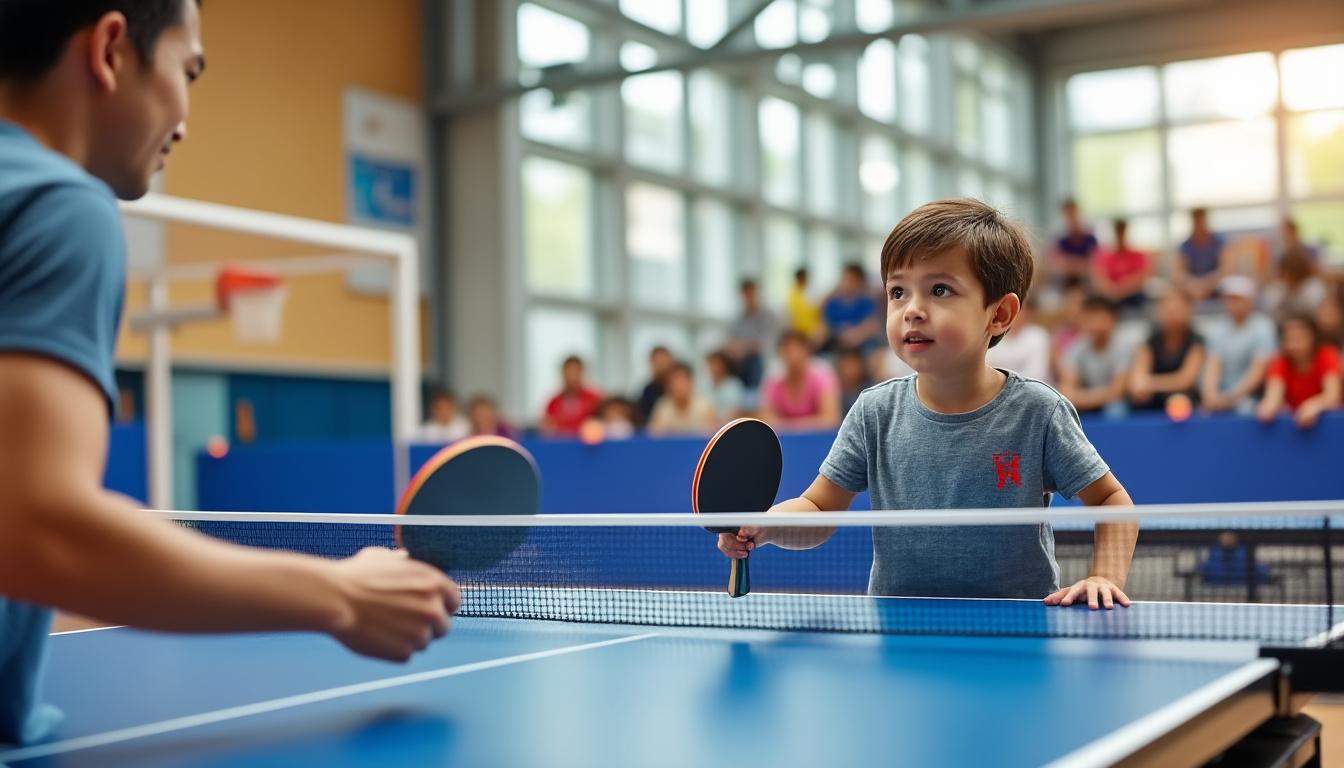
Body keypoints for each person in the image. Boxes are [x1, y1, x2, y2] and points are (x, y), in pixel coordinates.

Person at [0, 0, 458, 747]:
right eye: (188, 71)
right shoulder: (59, 208)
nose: (184, 120)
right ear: (112, 48)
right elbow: (36, 528)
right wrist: (340, 594)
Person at [717, 199, 1136, 609]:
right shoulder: (874, 412)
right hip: (900, 628)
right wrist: (769, 525)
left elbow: (1111, 501)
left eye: (939, 290)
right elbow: (818, 507)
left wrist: (1104, 575)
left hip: (1016, 628)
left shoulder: (1037, 412)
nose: (912, 310)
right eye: (897, 292)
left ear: (1001, 314)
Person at [1200, 276, 1277, 415]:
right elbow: (1213, 365)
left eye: (1238, 298)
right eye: (1229, 298)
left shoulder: (1263, 327)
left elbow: (1258, 371)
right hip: (1222, 397)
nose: (1234, 303)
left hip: (1253, 399)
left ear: (1250, 300)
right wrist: (1210, 395)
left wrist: (1231, 398)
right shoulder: (1216, 328)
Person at [1257, 314, 1341, 429]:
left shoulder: (1327, 355)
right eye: (1288, 339)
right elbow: (1273, 395)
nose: (1293, 345)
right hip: (1297, 427)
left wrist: (1314, 405)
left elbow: (1332, 396)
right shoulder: (1279, 362)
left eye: (1299, 338)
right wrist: (1268, 407)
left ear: (1313, 337)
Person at [1127, 289, 1205, 411]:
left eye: (1177, 309)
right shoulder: (1150, 341)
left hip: (1185, 401)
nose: (1172, 314)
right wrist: (1142, 386)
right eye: (1167, 310)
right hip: (1152, 400)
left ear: (1189, 310)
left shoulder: (1196, 341)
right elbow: (1138, 379)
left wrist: (1149, 384)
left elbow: (1186, 381)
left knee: (1179, 402)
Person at [1057, 296, 1132, 416]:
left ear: (1113, 319)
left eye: (1100, 319)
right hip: (1086, 404)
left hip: (1114, 404)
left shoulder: (1124, 346)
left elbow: (1117, 391)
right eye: (1091, 319)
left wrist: (1081, 397)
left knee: (1116, 410)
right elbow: (1067, 390)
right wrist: (1080, 398)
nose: (1095, 325)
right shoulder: (1076, 347)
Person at [760, 330, 841, 431]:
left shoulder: (823, 374)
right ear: (781, 354)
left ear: (807, 351)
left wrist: (788, 425)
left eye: (797, 349)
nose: (793, 355)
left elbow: (831, 419)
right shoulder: (773, 378)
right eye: (788, 350)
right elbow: (767, 421)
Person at [724, 279, 778, 392]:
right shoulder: (738, 318)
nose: (749, 298)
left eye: (752, 293)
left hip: (758, 360)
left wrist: (743, 347)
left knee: (754, 362)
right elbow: (729, 342)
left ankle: (752, 396)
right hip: (739, 361)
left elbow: (762, 344)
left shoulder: (767, 316)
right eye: (746, 294)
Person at [821, 264, 882, 354]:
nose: (847, 283)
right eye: (845, 278)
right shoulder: (833, 303)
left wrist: (855, 335)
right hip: (837, 343)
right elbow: (826, 325)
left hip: (861, 345)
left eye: (851, 279)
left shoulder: (865, 301)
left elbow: (872, 325)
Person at [1092, 219, 1152, 311]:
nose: (1120, 236)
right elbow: (1100, 279)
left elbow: (1142, 278)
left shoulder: (1138, 255)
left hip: (1133, 295)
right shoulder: (1104, 256)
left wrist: (1122, 289)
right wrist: (1113, 290)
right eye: (1118, 232)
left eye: (1122, 232)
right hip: (1111, 296)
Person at [985, 300, 1052, 383]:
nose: (1018, 314)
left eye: (1022, 310)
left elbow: (1037, 372)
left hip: (1028, 389)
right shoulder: (991, 334)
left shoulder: (1038, 335)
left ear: (1029, 312)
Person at [540, 355, 603, 437]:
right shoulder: (553, 402)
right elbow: (547, 428)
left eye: (576, 371)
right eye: (569, 371)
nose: (572, 376)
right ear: (563, 373)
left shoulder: (595, 400)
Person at [648, 362, 715, 436]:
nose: (678, 385)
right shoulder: (663, 406)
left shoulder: (704, 406)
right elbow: (655, 437)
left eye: (682, 380)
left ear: (691, 382)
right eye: (674, 381)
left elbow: (710, 438)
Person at [1173, 208, 1226, 302]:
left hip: (1215, 286)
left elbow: (1226, 269)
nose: (1198, 225)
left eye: (1201, 220)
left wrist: (1206, 284)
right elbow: (1179, 273)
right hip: (1192, 288)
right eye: (1196, 221)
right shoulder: (1185, 246)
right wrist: (1192, 284)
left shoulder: (1219, 242)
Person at [1263, 247, 1327, 320]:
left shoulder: (1313, 288)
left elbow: (1316, 316)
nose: (1285, 278)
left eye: (1288, 274)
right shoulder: (1280, 287)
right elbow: (1270, 310)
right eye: (1283, 274)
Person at [1049, 198, 1098, 286]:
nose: (1072, 219)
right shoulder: (1060, 241)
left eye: (1074, 214)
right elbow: (1056, 264)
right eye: (1068, 215)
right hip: (1065, 283)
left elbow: (1095, 264)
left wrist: (1071, 264)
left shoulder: (1091, 239)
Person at [635, 345, 674, 425]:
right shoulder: (648, 392)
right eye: (657, 361)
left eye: (663, 360)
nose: (661, 365)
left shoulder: (677, 391)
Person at [704, 350, 745, 424]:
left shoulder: (734, 385)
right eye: (711, 364)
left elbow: (735, 411)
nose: (714, 368)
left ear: (724, 365)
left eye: (717, 364)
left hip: (728, 427)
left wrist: (716, 420)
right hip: (705, 428)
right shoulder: (703, 384)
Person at [786, 268, 823, 345]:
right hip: (798, 330)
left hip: (813, 330)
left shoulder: (812, 291)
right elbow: (791, 315)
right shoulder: (792, 294)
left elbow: (818, 311)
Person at [835, 346, 872, 416]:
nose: (850, 369)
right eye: (846, 364)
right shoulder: (833, 391)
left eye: (854, 364)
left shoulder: (870, 391)